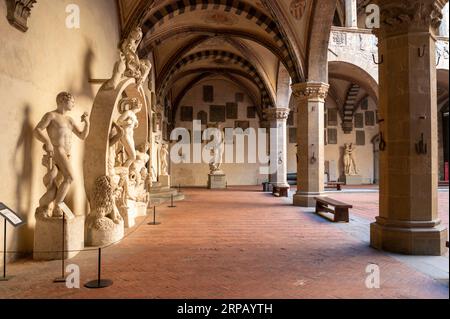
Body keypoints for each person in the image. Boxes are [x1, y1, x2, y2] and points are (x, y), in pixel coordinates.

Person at [34, 92, 90, 217]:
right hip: (57, 151)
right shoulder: (51, 116)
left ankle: (51, 206)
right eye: (72, 101)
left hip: (66, 154)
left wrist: (87, 123)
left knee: (58, 183)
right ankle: (58, 206)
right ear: (62, 101)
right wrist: (47, 141)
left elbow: (82, 136)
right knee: (70, 177)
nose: (74, 104)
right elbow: (37, 130)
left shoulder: (69, 120)